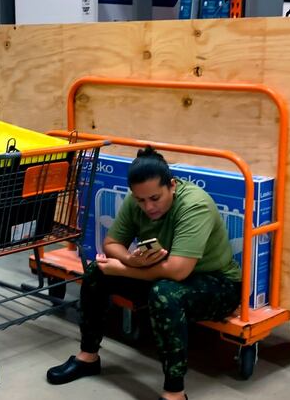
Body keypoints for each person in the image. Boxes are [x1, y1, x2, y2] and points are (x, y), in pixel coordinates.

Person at [47, 147, 242, 400]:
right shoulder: (137, 199)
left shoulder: (195, 205)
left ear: (171, 185)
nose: (148, 206)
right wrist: (130, 260)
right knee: (98, 272)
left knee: (164, 293)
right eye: (141, 200)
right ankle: (88, 357)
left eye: (155, 198)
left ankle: (174, 392)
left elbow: (178, 271)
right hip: (160, 274)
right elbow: (111, 244)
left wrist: (125, 269)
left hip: (217, 283)